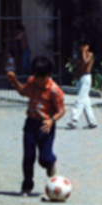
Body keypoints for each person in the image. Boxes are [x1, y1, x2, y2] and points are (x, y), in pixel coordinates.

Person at [6, 55, 66, 196]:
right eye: (36, 76)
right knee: (28, 156)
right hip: (31, 123)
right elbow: (23, 92)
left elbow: (62, 110)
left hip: (45, 125)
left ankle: (51, 162)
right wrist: (14, 81)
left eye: (41, 78)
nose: (38, 81)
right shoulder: (32, 82)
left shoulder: (55, 91)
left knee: (44, 158)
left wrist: (52, 120)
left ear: (49, 75)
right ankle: (27, 185)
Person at [67, 38, 98, 129]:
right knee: (85, 100)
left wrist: (84, 52)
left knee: (80, 99)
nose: (82, 48)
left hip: (86, 77)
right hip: (80, 77)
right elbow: (77, 66)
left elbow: (85, 62)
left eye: (84, 46)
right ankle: (92, 121)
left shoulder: (90, 54)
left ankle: (74, 119)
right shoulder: (79, 56)